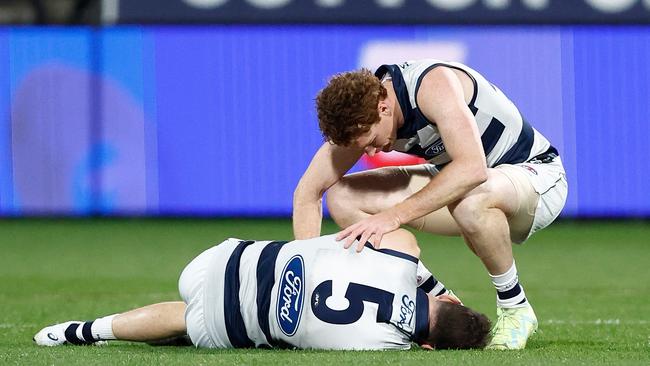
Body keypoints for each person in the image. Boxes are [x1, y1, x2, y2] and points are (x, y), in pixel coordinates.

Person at [293, 59, 568, 350]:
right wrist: (309, 276)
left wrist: (393, 216)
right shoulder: (363, 114)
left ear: (383, 109)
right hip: (468, 189)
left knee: (470, 198)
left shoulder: (432, 84)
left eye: (371, 140)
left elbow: (472, 169)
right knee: (343, 197)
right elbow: (307, 193)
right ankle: (434, 298)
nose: (371, 151)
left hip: (535, 179)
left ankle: (515, 308)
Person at [34, 229, 491, 350]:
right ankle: (79, 331)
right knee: (189, 321)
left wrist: (436, 288)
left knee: (214, 296)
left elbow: (393, 236)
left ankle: (81, 330)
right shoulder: (382, 348)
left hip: (221, 258)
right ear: (428, 346)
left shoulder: (403, 251)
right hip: (218, 326)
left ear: (446, 300)